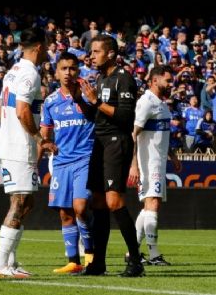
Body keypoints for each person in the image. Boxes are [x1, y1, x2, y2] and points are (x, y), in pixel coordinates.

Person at [0, 29, 54, 278]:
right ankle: (0, 263)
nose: (49, 49)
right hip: (19, 147)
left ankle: (10, 262)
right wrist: (39, 139)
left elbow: (0, 109)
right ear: (38, 47)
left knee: (24, 202)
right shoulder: (29, 72)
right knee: (20, 203)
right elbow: (21, 111)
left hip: (11, 144)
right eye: (47, 45)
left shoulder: (12, 70)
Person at [79, 34, 143, 277]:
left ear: (111, 54)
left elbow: (126, 118)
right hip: (100, 140)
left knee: (114, 201)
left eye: (96, 51)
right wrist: (80, 98)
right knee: (96, 202)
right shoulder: (101, 78)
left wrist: (95, 101)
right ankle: (98, 263)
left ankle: (135, 261)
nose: (91, 55)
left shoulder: (123, 79)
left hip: (117, 140)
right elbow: (95, 115)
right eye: (91, 51)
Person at [39, 52, 96, 274]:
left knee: (81, 208)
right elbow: (45, 133)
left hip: (86, 159)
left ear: (78, 71)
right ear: (56, 72)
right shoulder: (51, 102)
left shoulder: (88, 95)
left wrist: (85, 99)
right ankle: (74, 262)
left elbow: (98, 118)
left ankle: (91, 256)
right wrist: (45, 143)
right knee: (65, 213)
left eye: (72, 68)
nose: (68, 73)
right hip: (61, 162)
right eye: (64, 68)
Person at [128, 66, 182, 266]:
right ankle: (153, 254)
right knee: (153, 204)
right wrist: (134, 165)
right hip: (147, 162)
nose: (171, 84)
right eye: (167, 80)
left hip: (158, 161)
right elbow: (133, 134)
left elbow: (162, 134)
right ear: (154, 80)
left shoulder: (162, 104)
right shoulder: (146, 102)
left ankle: (132, 251)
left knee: (149, 205)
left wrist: (172, 156)